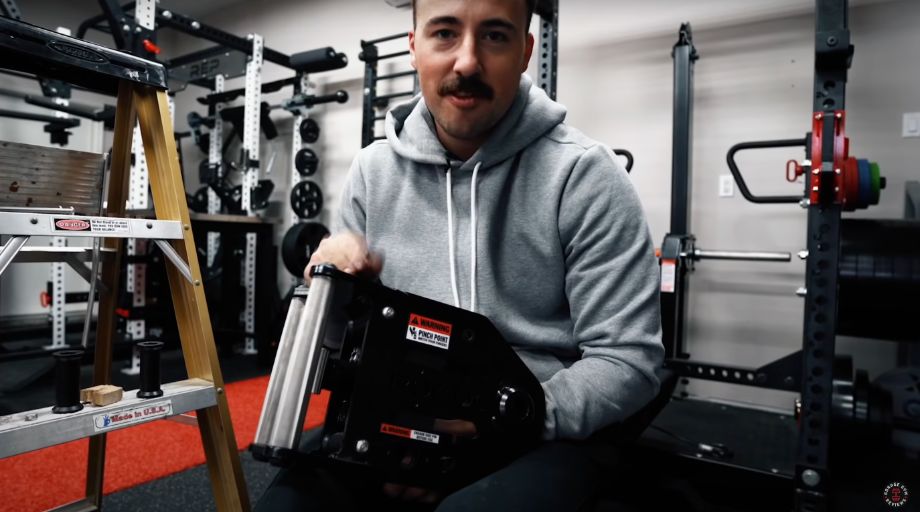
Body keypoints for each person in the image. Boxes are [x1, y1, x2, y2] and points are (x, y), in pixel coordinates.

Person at [256, 0, 663, 509]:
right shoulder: (372, 172)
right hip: (399, 417)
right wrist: (331, 287)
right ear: (414, 47)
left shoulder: (586, 177)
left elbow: (628, 360)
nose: (467, 62)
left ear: (525, 52)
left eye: (494, 36)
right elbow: (345, 345)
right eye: (445, 33)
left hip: (538, 423)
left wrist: (506, 422)